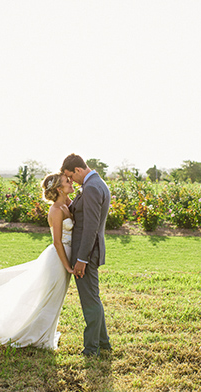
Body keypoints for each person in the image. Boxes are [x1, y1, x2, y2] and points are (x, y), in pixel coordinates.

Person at [0, 173, 75, 350]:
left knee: (55, 299)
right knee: (48, 298)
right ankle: (33, 335)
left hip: (66, 256)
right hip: (58, 259)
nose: (71, 182)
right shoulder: (55, 210)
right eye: (67, 181)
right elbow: (57, 242)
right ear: (59, 188)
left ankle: (45, 334)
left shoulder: (66, 204)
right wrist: (67, 267)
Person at [61, 153, 112, 357]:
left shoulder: (91, 188)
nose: (71, 181)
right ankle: (103, 342)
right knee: (93, 298)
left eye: (71, 176)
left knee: (89, 300)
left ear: (78, 170)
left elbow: (90, 227)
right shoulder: (95, 184)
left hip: (87, 253)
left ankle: (92, 349)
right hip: (89, 250)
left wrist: (82, 259)